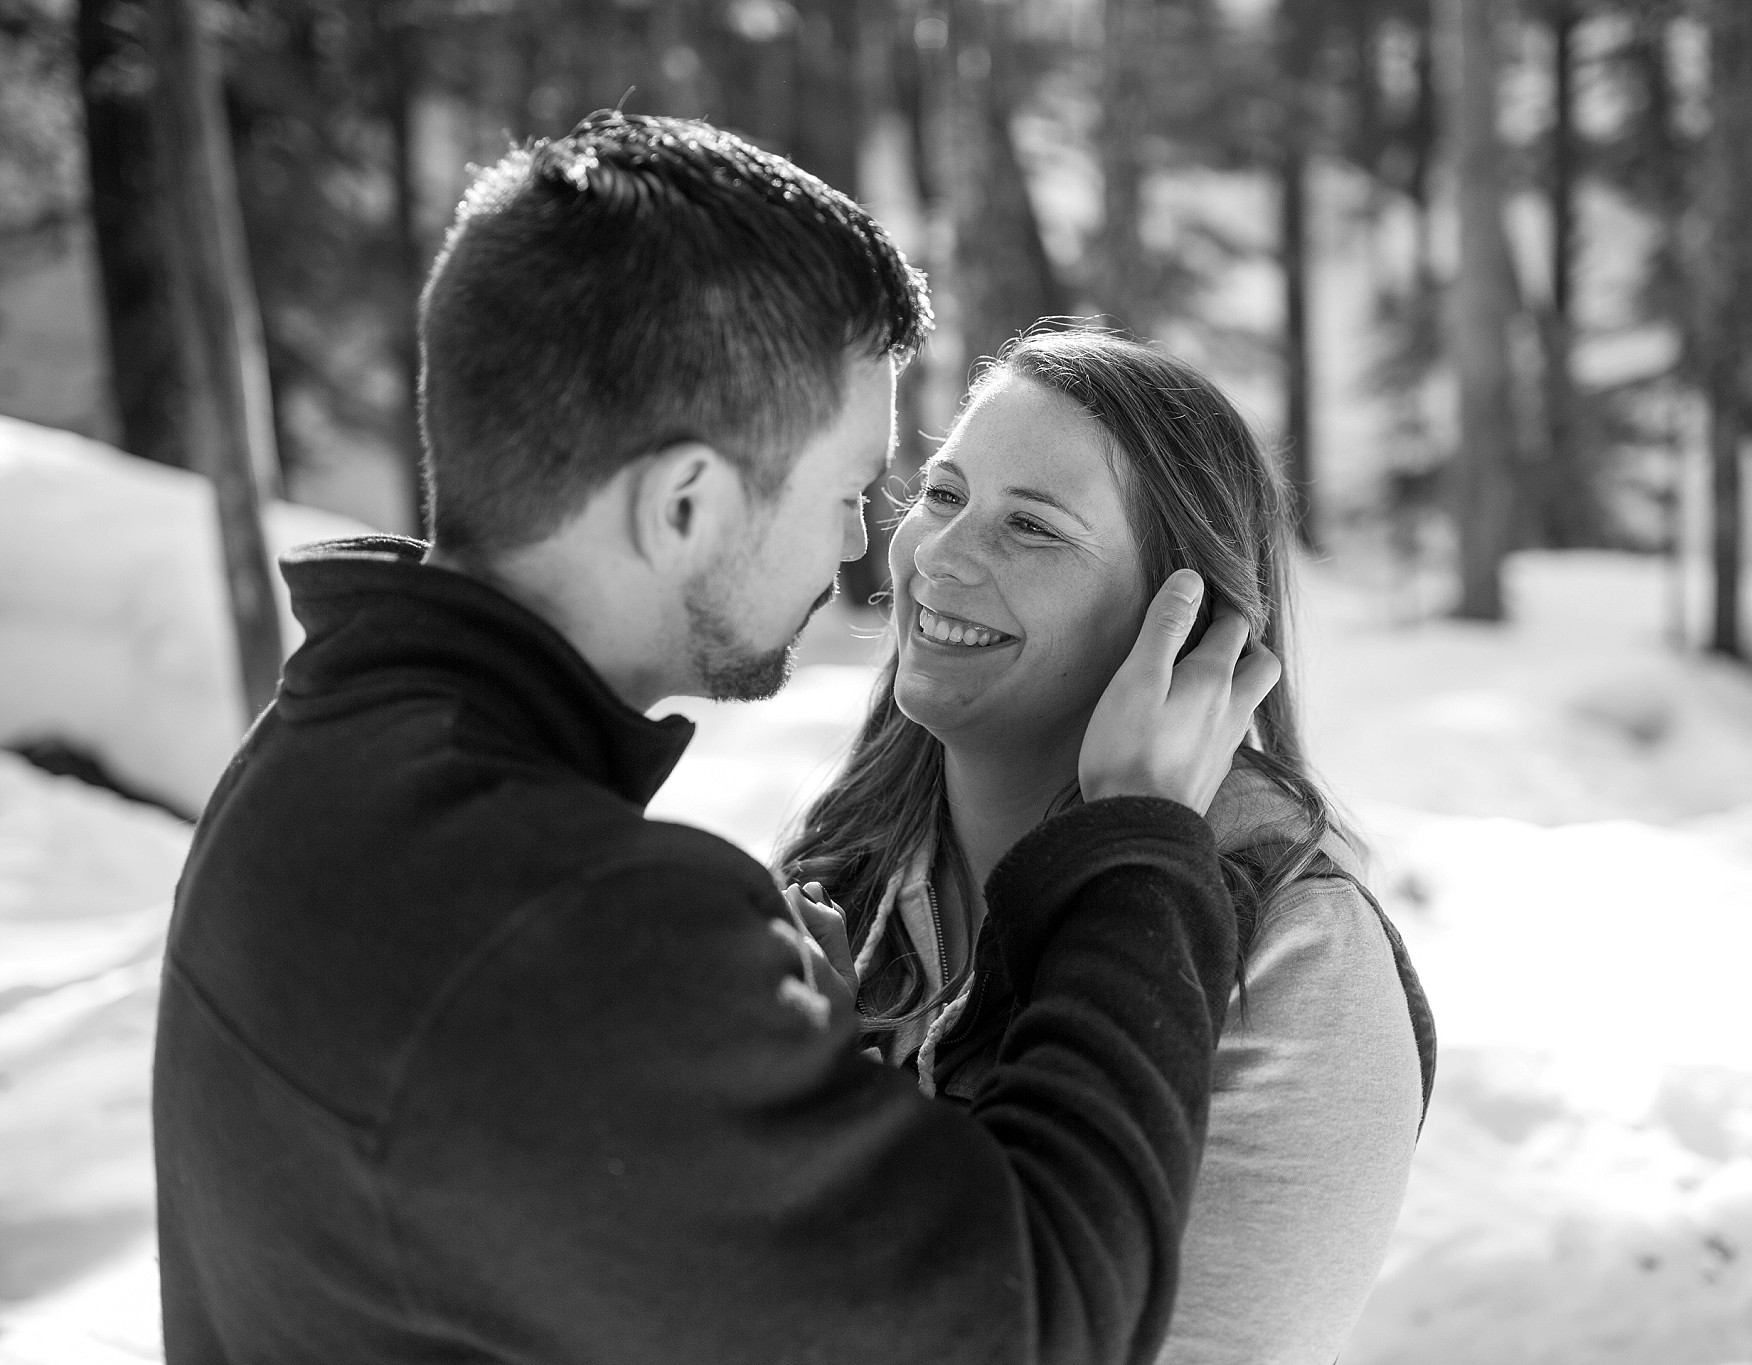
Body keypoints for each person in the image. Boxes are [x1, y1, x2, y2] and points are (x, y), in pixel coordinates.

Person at [151, 114, 1281, 1365]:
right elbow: (1043, 1324)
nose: (869, 548)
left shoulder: (327, 754)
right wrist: (1137, 850)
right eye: (852, 491)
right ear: (684, 502)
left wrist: (765, 1086)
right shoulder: (576, 931)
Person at [782, 331, 1437, 1365]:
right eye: (943, 494)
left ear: (1183, 629)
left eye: (1032, 529)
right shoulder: (847, 866)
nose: (939, 556)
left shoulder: (1296, 953)